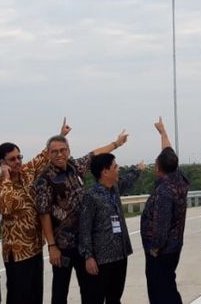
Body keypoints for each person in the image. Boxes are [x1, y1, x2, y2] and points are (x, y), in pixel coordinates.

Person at [34, 128, 130, 304]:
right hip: (62, 245)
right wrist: (52, 245)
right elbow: (44, 213)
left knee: (89, 289)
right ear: (48, 154)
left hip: (84, 242)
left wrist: (116, 143)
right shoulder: (44, 179)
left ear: (68, 150)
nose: (59, 154)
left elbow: (94, 154)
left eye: (63, 150)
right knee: (60, 290)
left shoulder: (74, 167)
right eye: (54, 151)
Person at [0, 119, 70, 304]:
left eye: (19, 157)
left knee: (36, 296)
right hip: (17, 253)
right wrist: (6, 177)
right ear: (3, 163)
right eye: (12, 159)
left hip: (35, 248)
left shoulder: (26, 173)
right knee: (19, 297)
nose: (18, 161)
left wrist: (61, 135)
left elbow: (42, 157)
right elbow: (5, 206)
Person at [79, 154, 144, 304]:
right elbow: (84, 229)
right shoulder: (91, 196)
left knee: (115, 298)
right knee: (96, 298)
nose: (118, 169)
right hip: (102, 258)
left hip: (120, 254)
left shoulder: (114, 189)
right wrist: (88, 256)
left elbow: (127, 181)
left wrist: (137, 169)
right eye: (115, 166)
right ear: (105, 172)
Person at [140, 117, 189, 304]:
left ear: (159, 167)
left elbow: (161, 223)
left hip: (162, 251)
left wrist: (154, 248)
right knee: (168, 285)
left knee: (160, 290)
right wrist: (163, 132)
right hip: (174, 247)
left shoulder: (164, 191)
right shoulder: (179, 180)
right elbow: (169, 152)